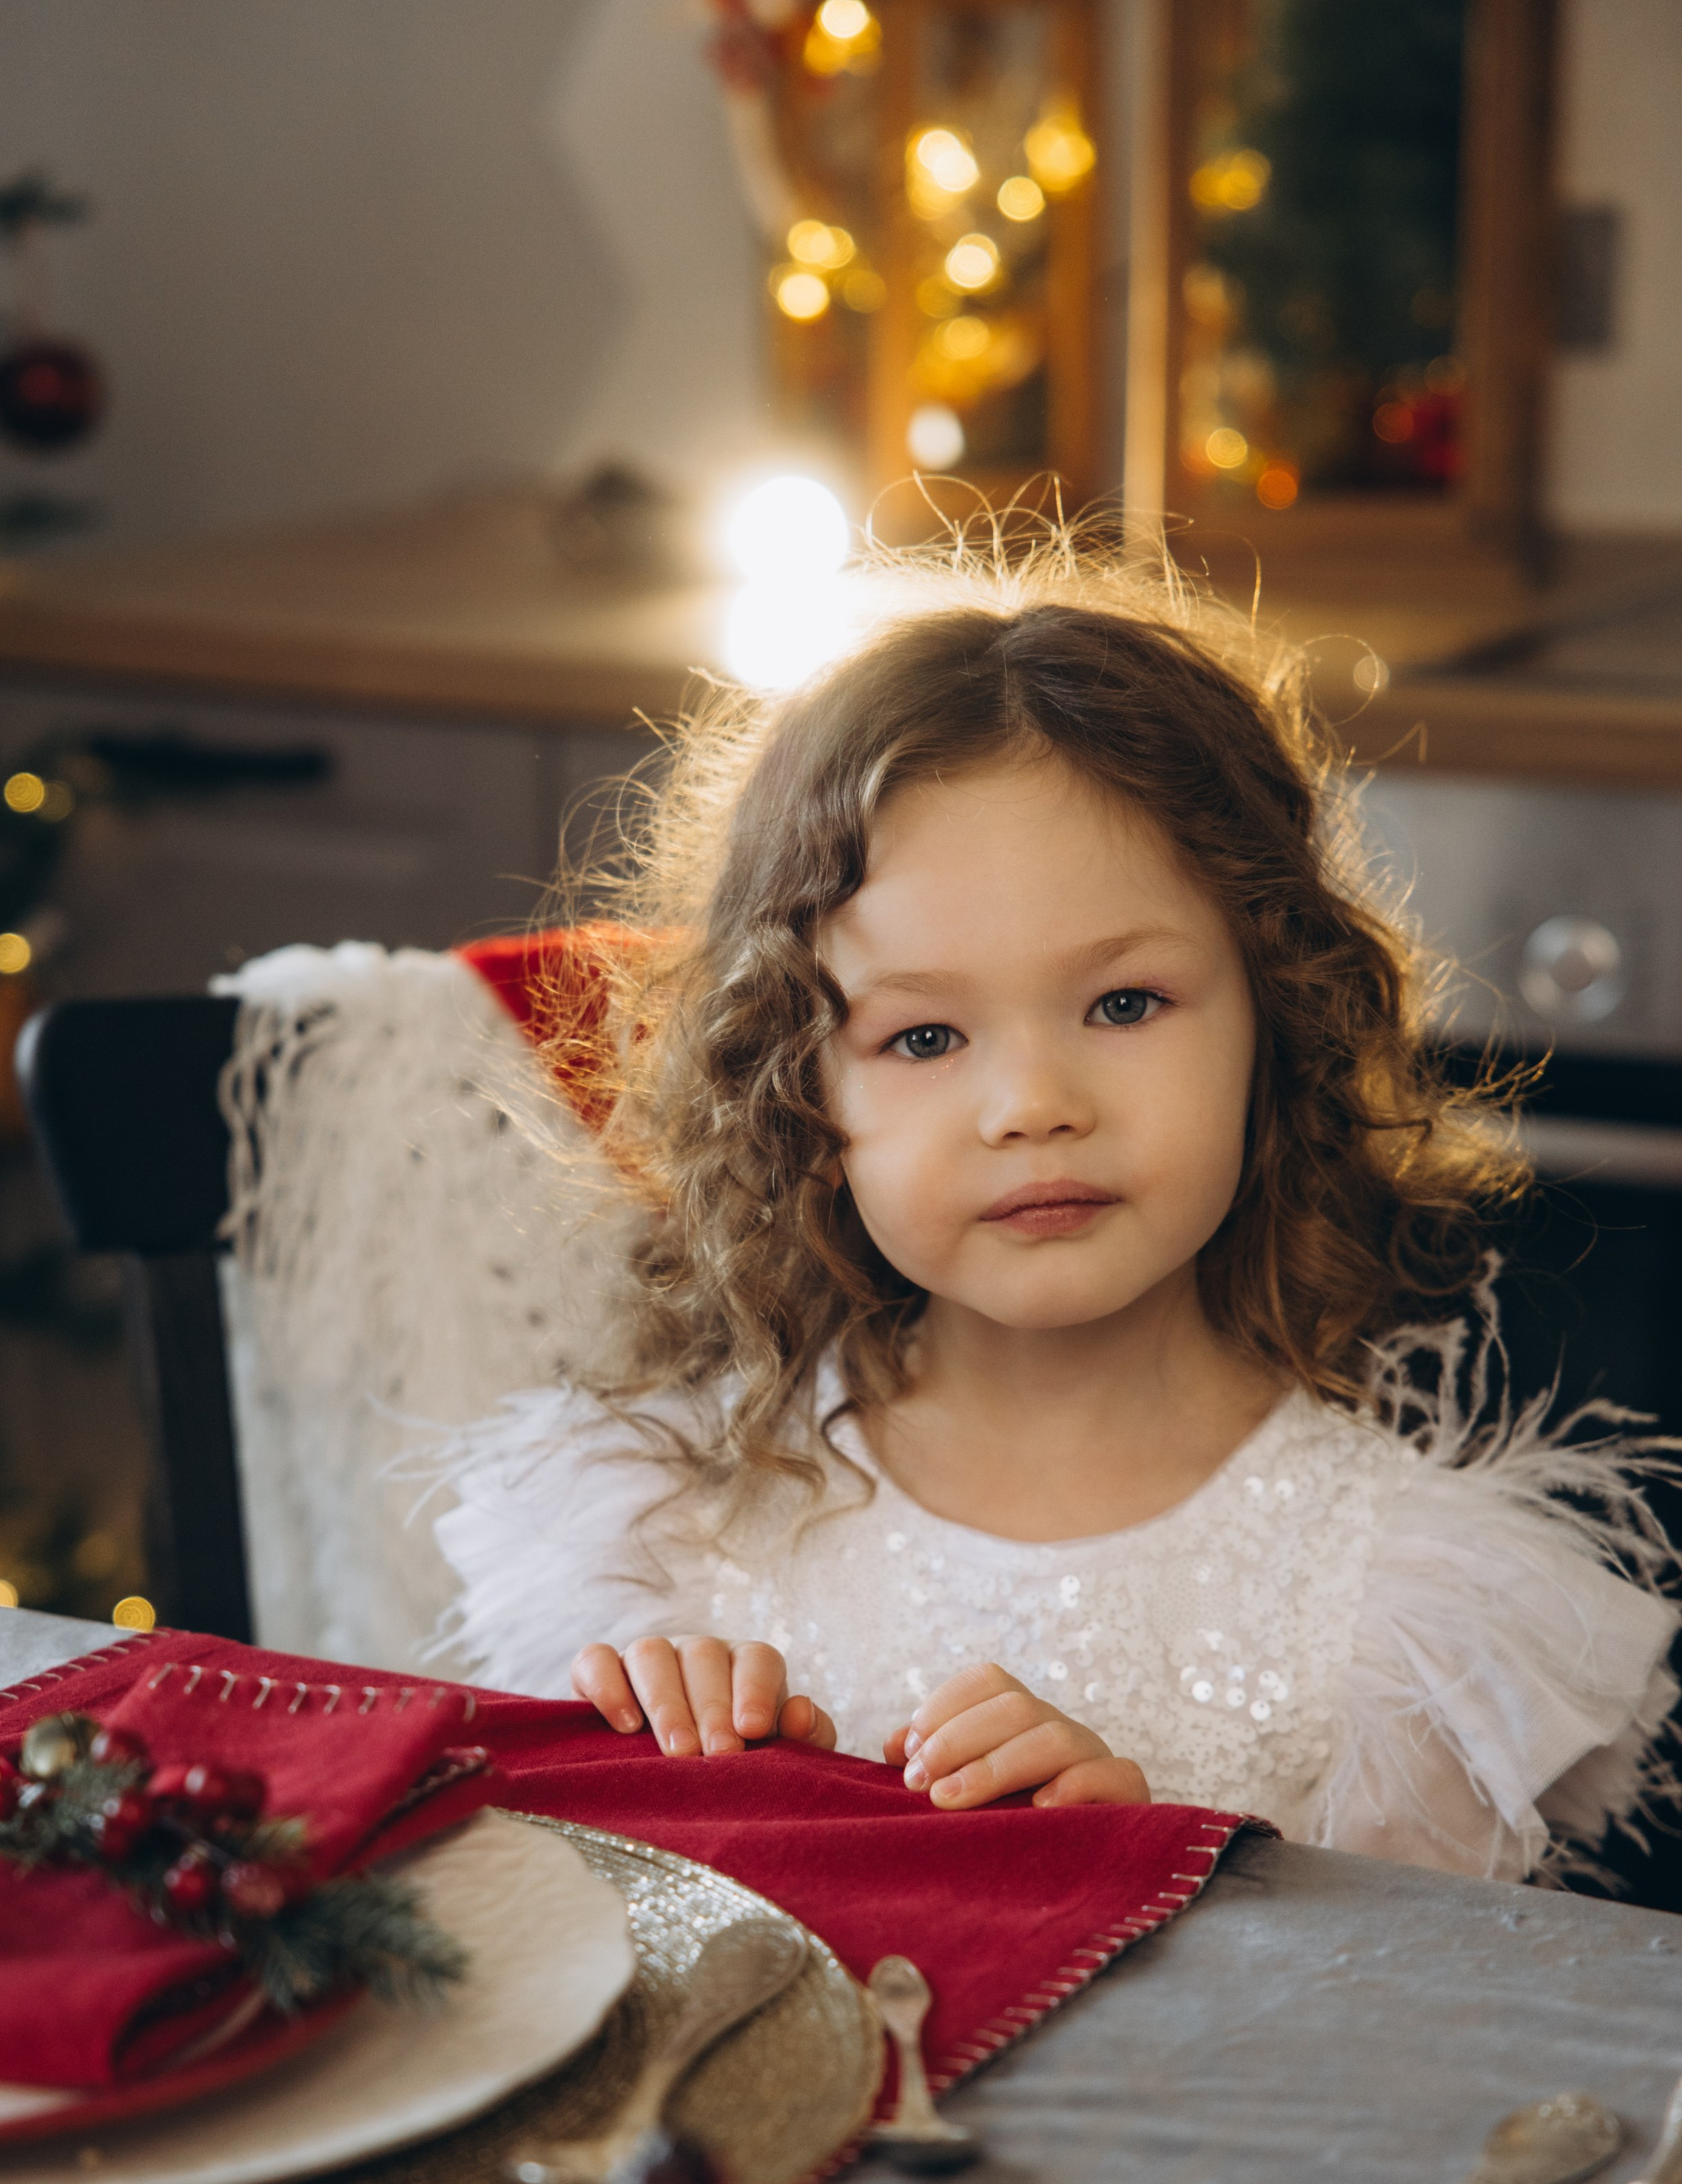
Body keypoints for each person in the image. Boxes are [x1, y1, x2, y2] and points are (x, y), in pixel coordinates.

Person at [423, 548, 1678, 1882]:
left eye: (1124, 1005)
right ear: (797, 1088)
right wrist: (670, 1805)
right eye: (923, 1036)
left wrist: (1170, 1881)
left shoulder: (1408, 1618)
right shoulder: (659, 1535)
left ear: (1280, 1013)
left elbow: (1396, 2060)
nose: (1030, 1104)